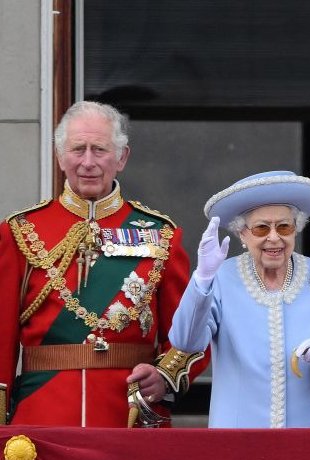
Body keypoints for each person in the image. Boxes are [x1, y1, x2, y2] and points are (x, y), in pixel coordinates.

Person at [0, 100, 205, 427]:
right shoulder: (20, 231)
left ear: (122, 157)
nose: (88, 162)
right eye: (77, 149)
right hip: (41, 417)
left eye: (100, 150)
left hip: (128, 416)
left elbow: (190, 331)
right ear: (59, 156)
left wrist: (164, 376)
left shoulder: (161, 234)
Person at [168, 170, 310, 428]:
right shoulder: (220, 279)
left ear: (296, 229)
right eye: (262, 228)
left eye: (284, 226)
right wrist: (202, 279)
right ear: (243, 234)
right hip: (238, 444)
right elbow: (185, 342)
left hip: (307, 442)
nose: (274, 238)